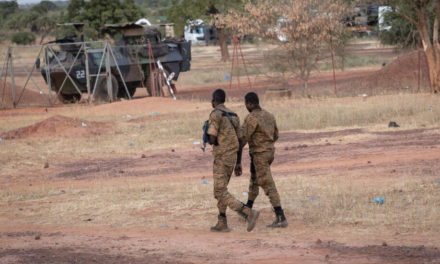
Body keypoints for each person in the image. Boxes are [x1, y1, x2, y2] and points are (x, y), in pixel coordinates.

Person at [206, 89, 260, 232]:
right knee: (222, 189)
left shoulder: (216, 114)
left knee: (219, 191)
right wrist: (238, 162)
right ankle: (222, 221)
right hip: (231, 159)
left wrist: (207, 136)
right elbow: (241, 141)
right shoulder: (233, 115)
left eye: (212, 100)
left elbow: (211, 138)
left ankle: (247, 212)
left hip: (221, 158)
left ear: (214, 100)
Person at [235, 92, 288, 228]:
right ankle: (248, 210)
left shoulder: (251, 118)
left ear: (250, 103)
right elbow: (275, 135)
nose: (246, 107)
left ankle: (280, 216)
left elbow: (242, 140)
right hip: (269, 153)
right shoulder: (269, 115)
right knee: (254, 180)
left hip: (259, 155)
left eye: (246, 104)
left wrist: (238, 161)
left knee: (267, 184)